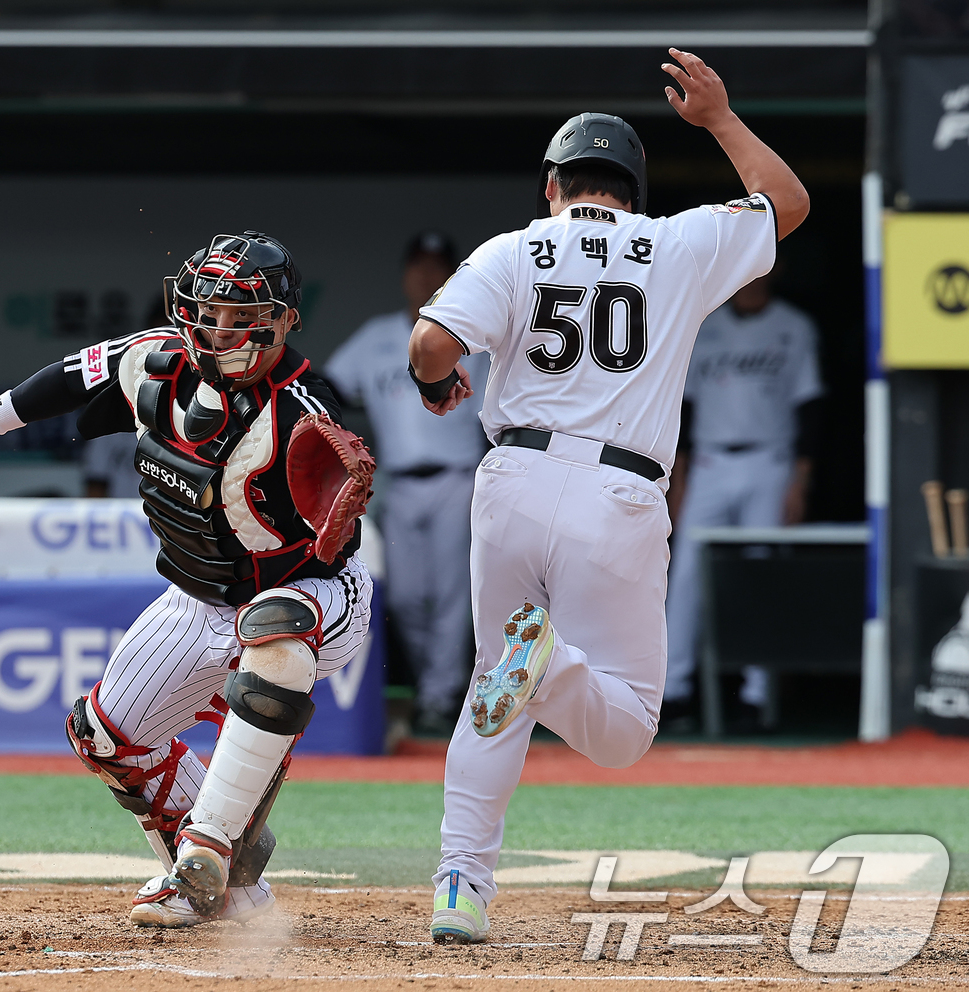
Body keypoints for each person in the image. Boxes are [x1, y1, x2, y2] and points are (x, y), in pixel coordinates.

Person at [404, 49, 809, 943]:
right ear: (633, 187)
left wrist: (437, 387)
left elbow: (432, 347)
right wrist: (720, 120)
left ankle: (460, 887)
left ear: (553, 185)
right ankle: (548, 665)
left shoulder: (513, 248)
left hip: (511, 478)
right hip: (618, 494)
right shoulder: (677, 240)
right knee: (624, 729)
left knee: (490, 692)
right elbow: (788, 204)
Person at [0, 232, 374, 929]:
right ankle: (228, 890)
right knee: (104, 735)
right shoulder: (155, 361)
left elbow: (335, 526)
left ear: (283, 321)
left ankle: (209, 843)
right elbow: (73, 376)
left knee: (275, 636)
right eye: (210, 311)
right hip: (197, 596)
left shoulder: (303, 410)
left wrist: (334, 510)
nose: (220, 330)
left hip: (315, 595)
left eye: (242, 316)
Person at [324, 232, 490, 736]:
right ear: (404, 274)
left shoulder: (474, 335)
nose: (426, 277)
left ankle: (440, 696)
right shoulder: (376, 336)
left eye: (437, 268)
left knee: (450, 597)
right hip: (397, 483)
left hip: (457, 478)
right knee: (402, 598)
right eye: (418, 267)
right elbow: (327, 388)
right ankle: (433, 688)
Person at [663, 267, 823, 728]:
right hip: (710, 463)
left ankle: (758, 693)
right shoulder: (704, 326)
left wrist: (801, 480)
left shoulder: (794, 326)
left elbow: (810, 406)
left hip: (770, 460)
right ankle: (674, 690)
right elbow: (683, 406)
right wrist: (679, 474)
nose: (750, 281)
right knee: (687, 572)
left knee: (762, 571)